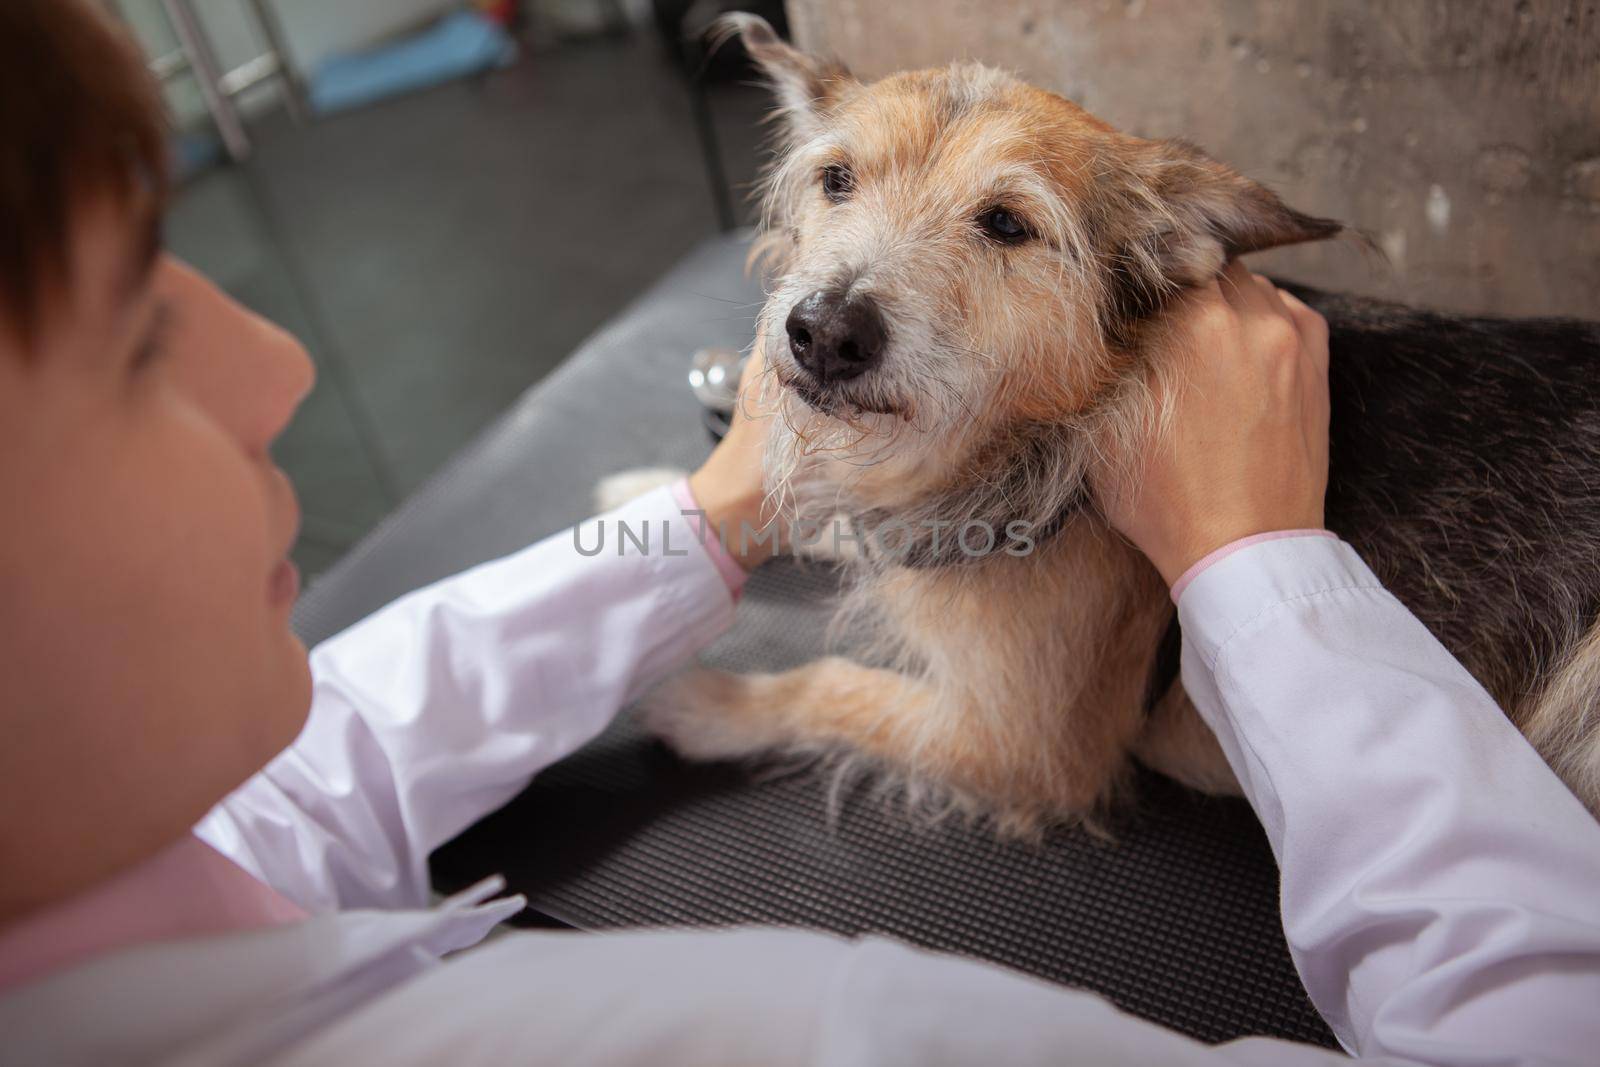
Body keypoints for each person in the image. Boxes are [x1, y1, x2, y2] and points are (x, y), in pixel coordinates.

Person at [2, 3, 1597, 1064]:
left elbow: (294, 779)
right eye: (135, 342)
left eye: (1003, 224)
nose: (283, 361)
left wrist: (718, 544)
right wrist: (1257, 560)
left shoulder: (86, 870)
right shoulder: (816, 1029)